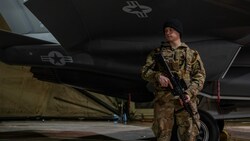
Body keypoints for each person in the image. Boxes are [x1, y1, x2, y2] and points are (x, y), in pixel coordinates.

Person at [141, 19, 206, 141]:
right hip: (164, 100)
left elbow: (200, 76)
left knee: (189, 133)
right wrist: (158, 76)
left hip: (185, 98)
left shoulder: (191, 54)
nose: (167, 33)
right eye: (165, 30)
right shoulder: (157, 53)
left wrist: (189, 93)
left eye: (171, 30)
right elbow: (144, 72)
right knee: (162, 135)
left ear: (178, 32)